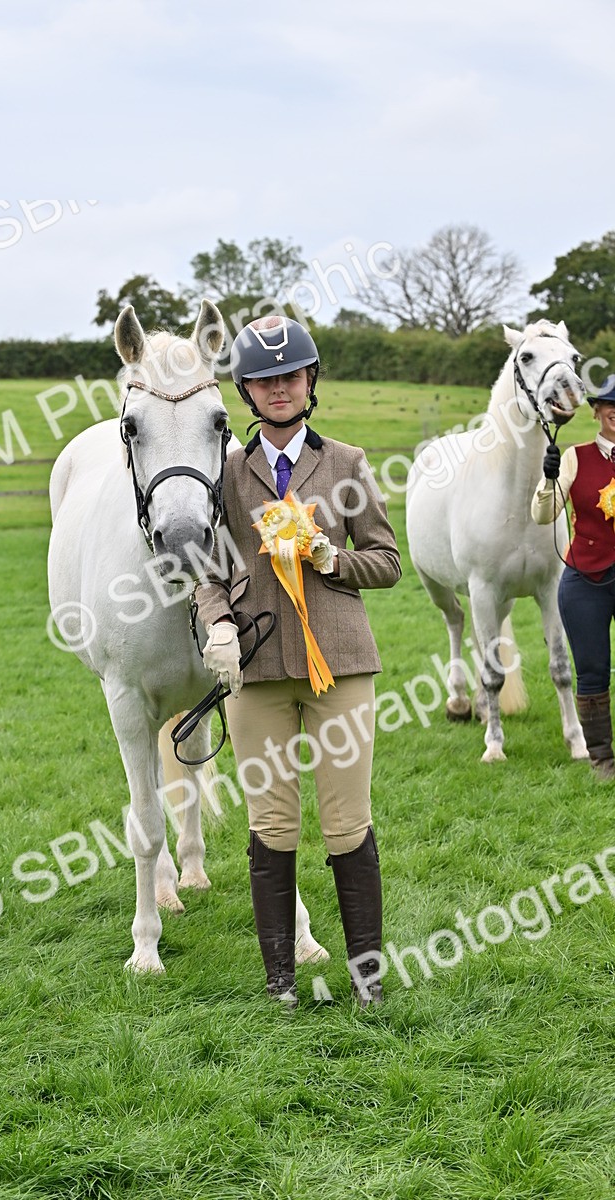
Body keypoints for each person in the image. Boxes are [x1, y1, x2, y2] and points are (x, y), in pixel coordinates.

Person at [194, 315, 401, 1008]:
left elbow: (388, 562)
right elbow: (207, 569)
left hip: (339, 667)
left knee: (347, 821)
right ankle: (280, 979)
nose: (278, 389)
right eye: (263, 380)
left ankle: (367, 978)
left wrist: (330, 559)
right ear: (246, 392)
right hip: (255, 672)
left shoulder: (345, 463)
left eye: (290, 376)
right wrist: (217, 621)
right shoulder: (225, 474)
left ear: (311, 381)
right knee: (272, 824)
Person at [532, 374, 615, 780]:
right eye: (609, 405)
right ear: (597, 411)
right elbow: (543, 515)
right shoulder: (576, 457)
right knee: (593, 668)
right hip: (586, 579)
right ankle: (602, 759)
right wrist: (548, 479)